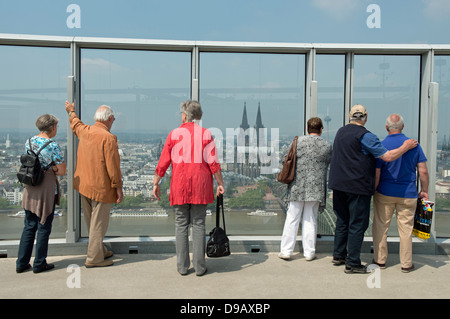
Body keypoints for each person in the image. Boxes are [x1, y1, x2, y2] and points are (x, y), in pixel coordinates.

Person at [328, 105, 418, 274]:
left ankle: (339, 254)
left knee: (342, 220)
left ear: (349, 117)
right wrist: (406, 146)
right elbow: (388, 156)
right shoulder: (366, 136)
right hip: (357, 186)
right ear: (365, 118)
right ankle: (353, 263)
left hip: (338, 184)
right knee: (357, 223)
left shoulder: (340, 132)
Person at [153, 100, 225, 276]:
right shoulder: (206, 134)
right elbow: (213, 163)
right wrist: (220, 183)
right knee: (199, 224)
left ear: (185, 115)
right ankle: (200, 267)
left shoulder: (174, 134)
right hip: (201, 185)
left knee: (181, 225)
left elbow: (163, 162)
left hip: (180, 185)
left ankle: (182, 267)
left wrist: (156, 182)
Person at [65, 101, 123, 268]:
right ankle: (94, 258)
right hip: (101, 188)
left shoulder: (85, 131)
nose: (113, 122)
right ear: (110, 119)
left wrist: (71, 111)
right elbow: (113, 167)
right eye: (113, 119)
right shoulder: (108, 138)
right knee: (99, 224)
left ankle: (99, 250)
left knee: (91, 222)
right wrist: (118, 187)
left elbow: (75, 123)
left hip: (84, 185)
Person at [372, 114, 429, 273]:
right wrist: (424, 191)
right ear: (402, 127)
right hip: (408, 193)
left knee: (381, 227)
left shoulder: (381, 145)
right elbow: (423, 171)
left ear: (386, 127)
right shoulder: (414, 145)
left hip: (385, 192)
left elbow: (377, 173)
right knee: (406, 230)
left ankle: (380, 260)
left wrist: (375, 189)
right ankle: (406, 263)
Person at [16, 114, 66, 274]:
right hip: (46, 189)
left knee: (29, 226)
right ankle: (39, 263)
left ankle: (21, 263)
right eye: (56, 126)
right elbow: (62, 170)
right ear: (52, 127)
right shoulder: (53, 146)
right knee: (43, 226)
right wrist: (53, 168)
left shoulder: (29, 141)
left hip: (30, 187)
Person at [279, 117, 332, 261]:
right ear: (321, 130)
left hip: (297, 186)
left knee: (292, 218)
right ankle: (309, 252)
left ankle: (286, 251)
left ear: (307, 129)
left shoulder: (298, 142)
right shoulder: (327, 145)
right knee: (310, 219)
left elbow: (285, 159)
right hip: (315, 188)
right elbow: (329, 162)